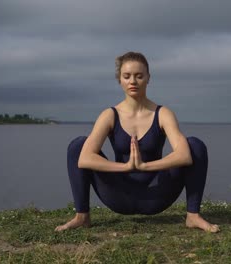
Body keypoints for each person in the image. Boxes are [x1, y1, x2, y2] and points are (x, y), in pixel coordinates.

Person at [55, 51, 219, 233]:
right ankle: (82, 216)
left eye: (139, 76)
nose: (133, 81)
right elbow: (84, 159)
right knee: (78, 145)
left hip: (156, 194)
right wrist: (126, 167)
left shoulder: (163, 114)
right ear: (120, 79)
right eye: (127, 76)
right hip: (118, 194)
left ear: (148, 78)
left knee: (195, 145)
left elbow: (184, 155)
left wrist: (144, 166)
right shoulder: (109, 115)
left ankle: (193, 216)